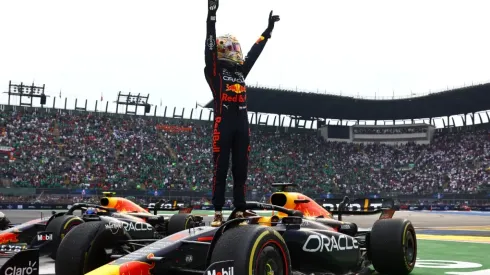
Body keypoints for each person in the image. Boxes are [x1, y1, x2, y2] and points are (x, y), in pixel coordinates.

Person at [204, 0, 280, 227]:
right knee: (220, 168)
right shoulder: (214, 72)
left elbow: (254, 54)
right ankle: (218, 211)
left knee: (241, 169)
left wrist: (266, 33)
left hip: (242, 126)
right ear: (223, 51)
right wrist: (211, 17)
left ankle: (239, 209)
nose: (237, 52)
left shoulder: (240, 72)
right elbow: (208, 46)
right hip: (223, 124)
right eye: (232, 49)